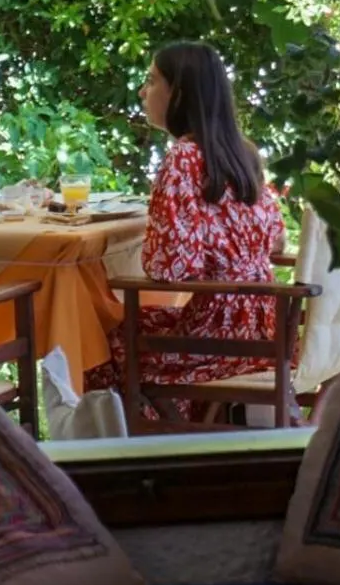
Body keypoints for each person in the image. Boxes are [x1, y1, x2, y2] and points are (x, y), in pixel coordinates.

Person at [86, 41, 285, 409]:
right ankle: (189, 429)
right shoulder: (244, 154)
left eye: (152, 81)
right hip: (264, 328)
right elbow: (277, 241)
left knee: (98, 341)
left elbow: (170, 268)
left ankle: (151, 438)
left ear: (179, 93)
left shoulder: (184, 159)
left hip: (217, 337)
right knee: (138, 325)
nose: (143, 92)